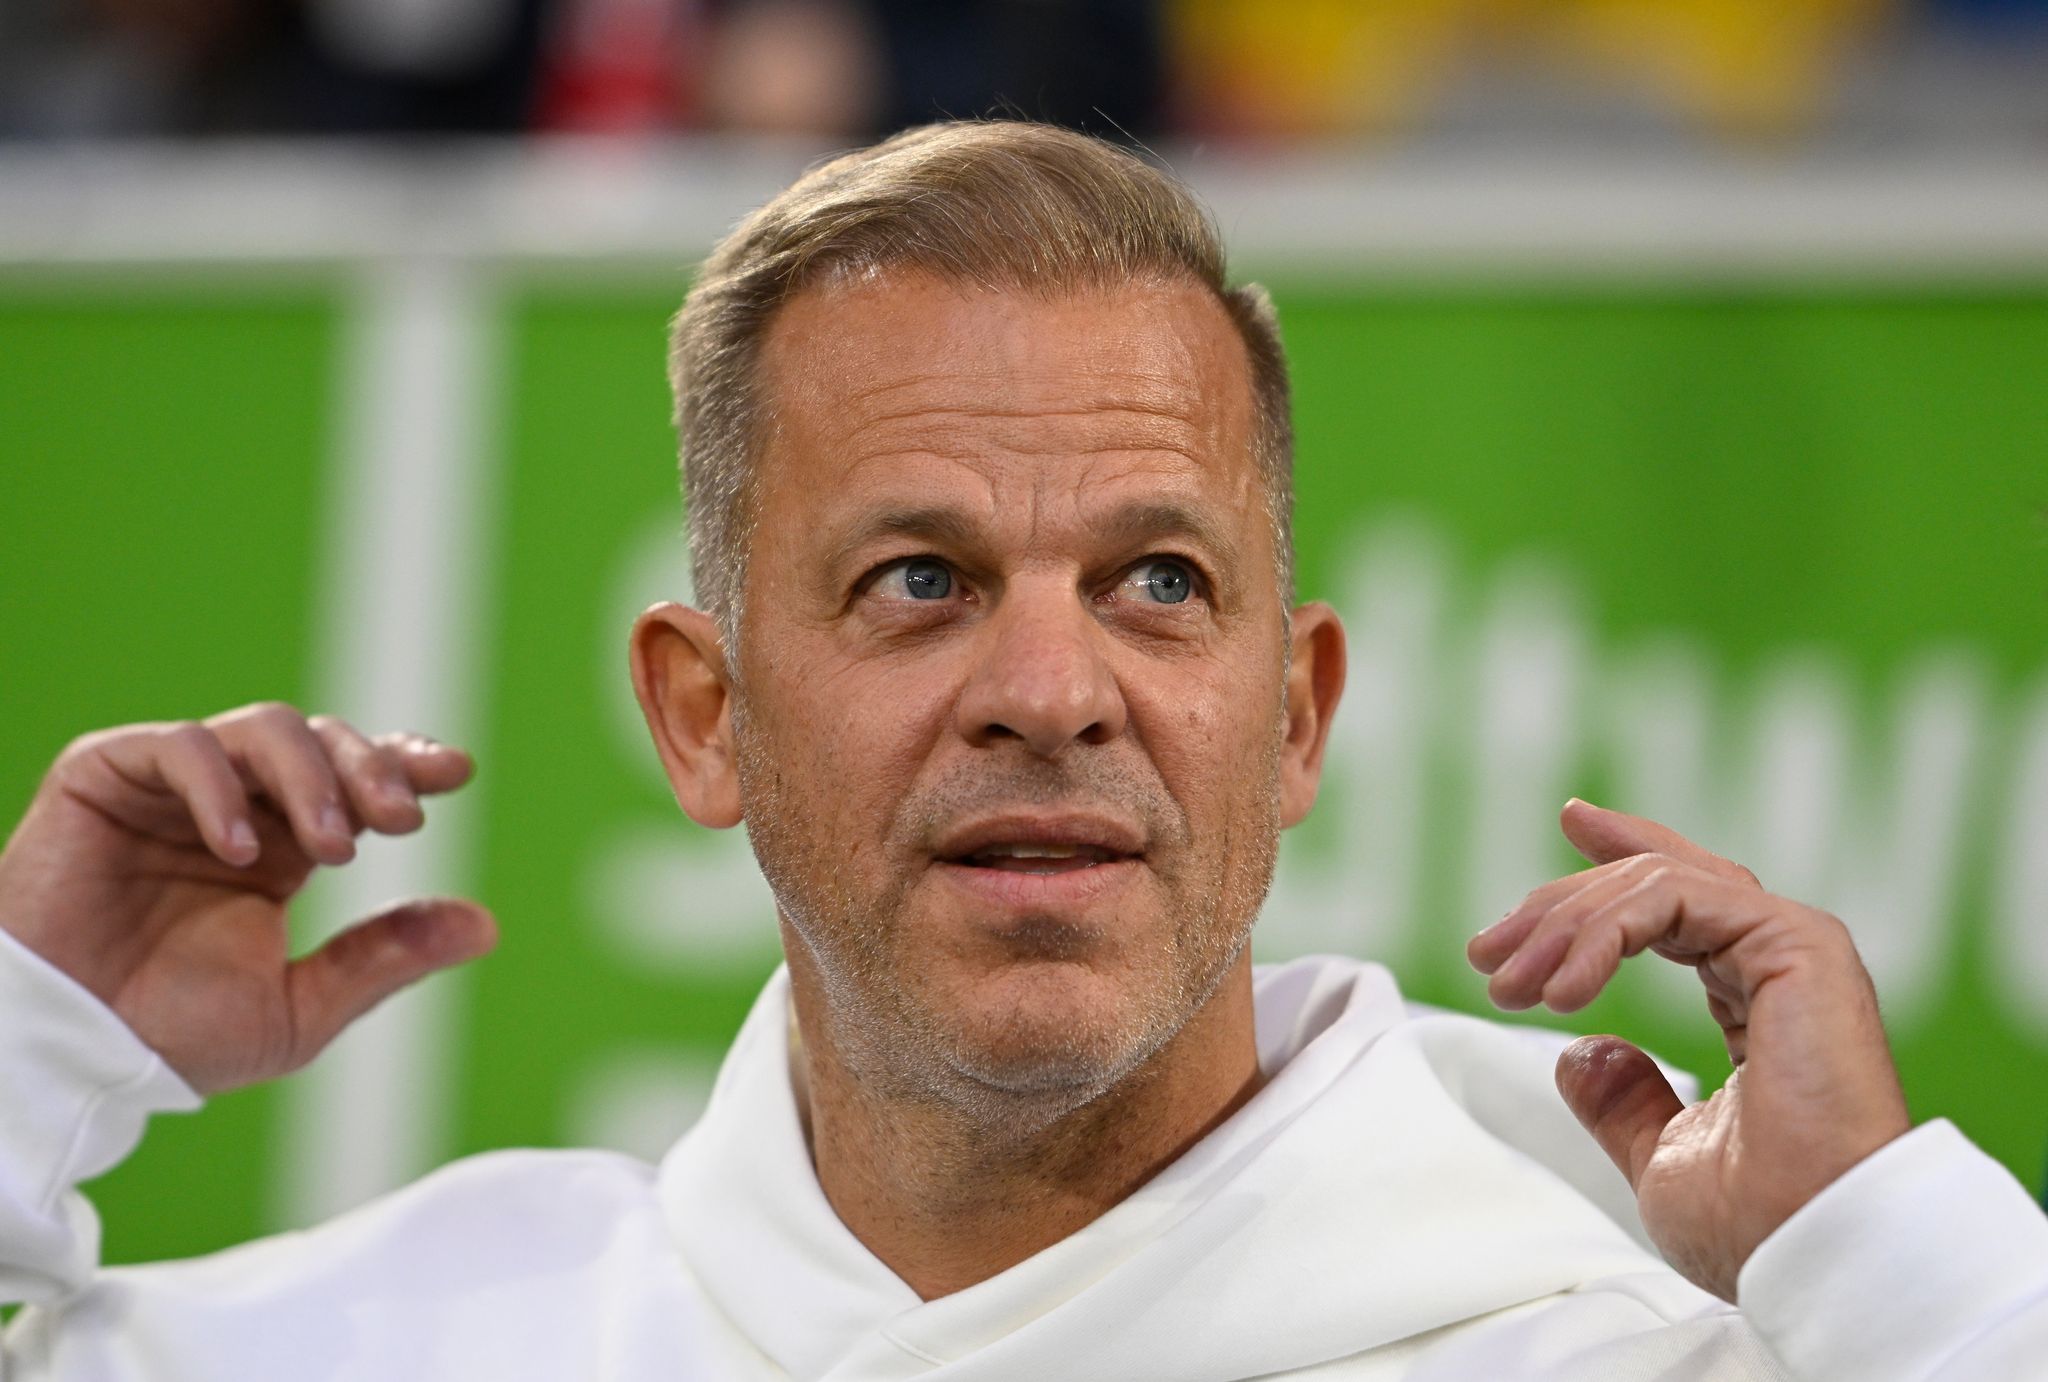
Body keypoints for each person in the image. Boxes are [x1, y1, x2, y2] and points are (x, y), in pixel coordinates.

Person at [1, 121, 2043, 1380]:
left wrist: (1898, 1264)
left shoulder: (1658, 1355)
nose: (1052, 689)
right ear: (705, 715)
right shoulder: (358, 1345)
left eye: (1157, 579)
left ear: (1296, 713)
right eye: (919, 579)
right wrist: (20, 1053)